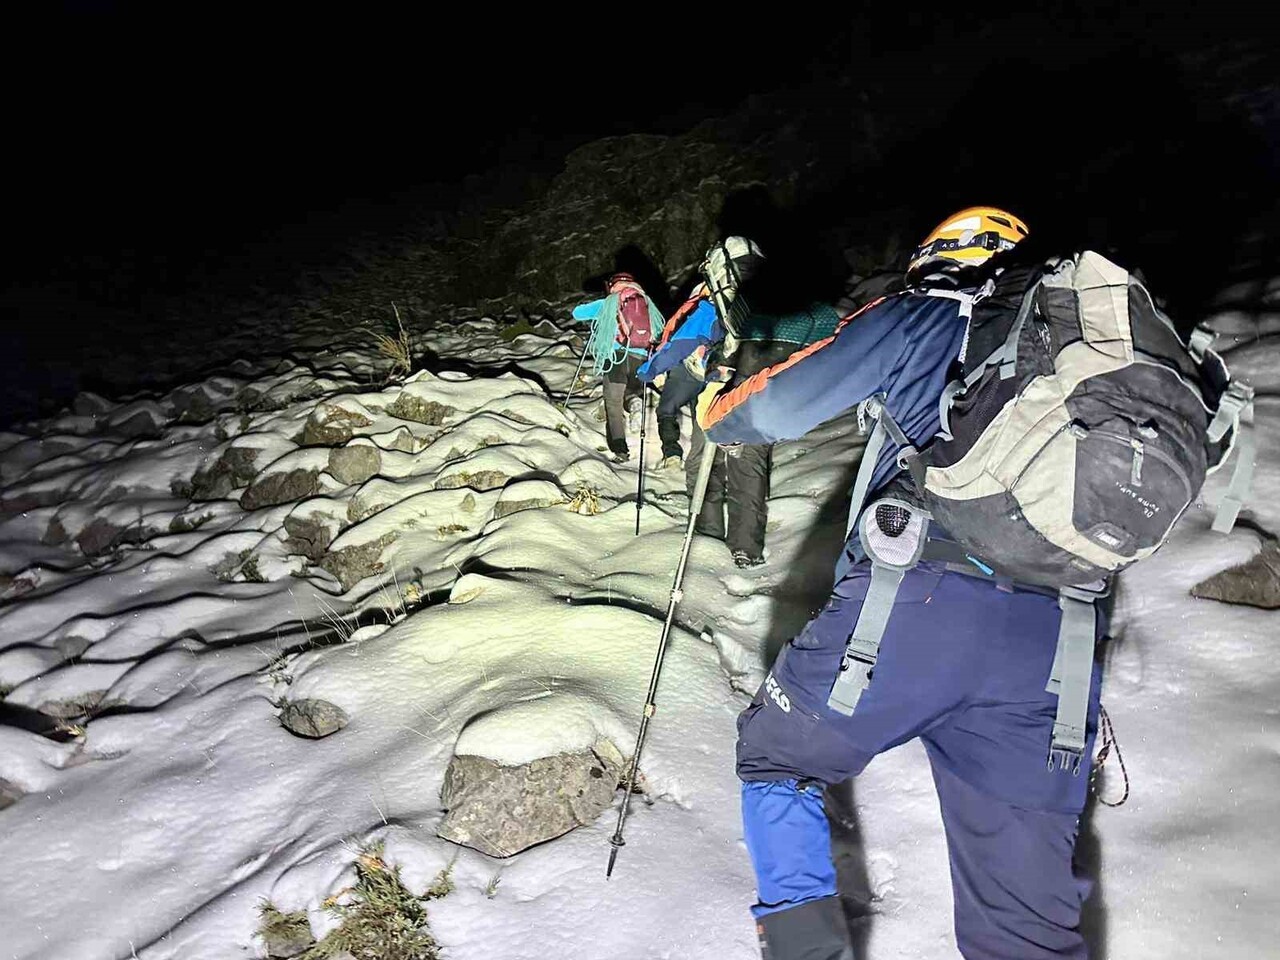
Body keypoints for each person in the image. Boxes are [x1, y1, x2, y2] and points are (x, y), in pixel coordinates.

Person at [700, 208, 1109, 959]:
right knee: (1023, 924)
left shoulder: (924, 314)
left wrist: (714, 409)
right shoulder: (1082, 343)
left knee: (779, 756)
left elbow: (775, 406)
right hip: (1059, 642)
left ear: (935, 258)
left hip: (918, 601)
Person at [641, 238, 842, 568]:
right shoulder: (781, 296)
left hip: (717, 400)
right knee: (748, 472)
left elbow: (681, 343)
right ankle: (746, 550)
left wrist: (650, 370)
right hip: (763, 402)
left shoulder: (715, 301)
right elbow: (827, 329)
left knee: (702, 466)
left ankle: (707, 535)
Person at [571, 272, 665, 462]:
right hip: (640, 357)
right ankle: (633, 403)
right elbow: (659, 330)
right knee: (632, 390)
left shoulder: (610, 302)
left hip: (616, 357)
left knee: (613, 403)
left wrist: (603, 307)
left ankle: (619, 448)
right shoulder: (646, 303)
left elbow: (577, 313)